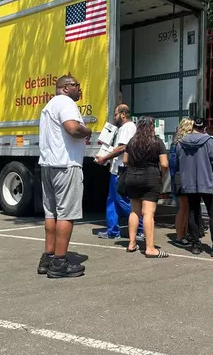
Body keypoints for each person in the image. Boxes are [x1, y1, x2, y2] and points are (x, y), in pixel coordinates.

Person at [37, 75, 91, 278]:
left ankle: (48, 257)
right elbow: (72, 128)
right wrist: (87, 130)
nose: (79, 89)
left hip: (48, 165)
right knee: (66, 213)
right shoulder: (66, 103)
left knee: (51, 214)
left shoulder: (49, 106)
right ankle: (60, 262)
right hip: (66, 165)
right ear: (66, 88)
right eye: (77, 85)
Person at [176, 118, 213, 257]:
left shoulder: (181, 142)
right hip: (208, 181)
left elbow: (177, 160)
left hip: (189, 182)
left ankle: (195, 245)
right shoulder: (208, 141)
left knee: (193, 212)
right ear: (205, 128)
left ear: (193, 126)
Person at [94, 104, 144, 241]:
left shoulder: (127, 128)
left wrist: (104, 157)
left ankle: (141, 228)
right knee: (112, 201)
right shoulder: (124, 128)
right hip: (115, 170)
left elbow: (122, 148)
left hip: (121, 171)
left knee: (123, 201)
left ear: (123, 114)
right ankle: (112, 230)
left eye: (116, 114)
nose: (114, 117)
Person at [124, 116, 169, 258]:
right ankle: (150, 248)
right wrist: (162, 175)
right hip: (151, 178)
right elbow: (164, 164)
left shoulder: (132, 142)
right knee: (148, 213)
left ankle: (131, 244)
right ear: (152, 127)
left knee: (134, 211)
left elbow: (125, 160)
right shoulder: (157, 142)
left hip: (132, 177)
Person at [169, 118, 194, 247]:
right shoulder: (178, 144)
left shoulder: (179, 143)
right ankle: (180, 237)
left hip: (181, 178)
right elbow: (173, 164)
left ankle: (183, 235)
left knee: (185, 209)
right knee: (183, 209)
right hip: (180, 178)